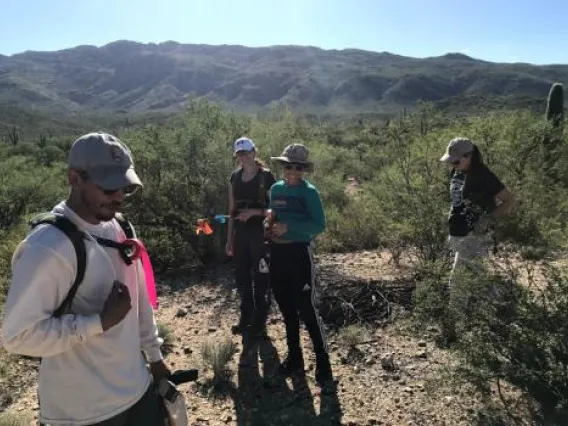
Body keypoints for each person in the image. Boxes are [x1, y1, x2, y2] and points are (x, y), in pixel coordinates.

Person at [1, 132, 170, 426]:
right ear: (74, 178)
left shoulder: (120, 228)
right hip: (82, 413)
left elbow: (140, 298)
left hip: (138, 392)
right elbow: (17, 337)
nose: (118, 197)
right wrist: (98, 323)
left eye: (125, 188)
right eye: (108, 187)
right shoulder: (48, 246)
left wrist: (155, 357)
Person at [265, 143, 333, 386]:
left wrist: (290, 228)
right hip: (277, 254)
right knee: (286, 309)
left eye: (297, 167)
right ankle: (295, 358)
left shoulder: (310, 193)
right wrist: (270, 224)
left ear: (304, 169)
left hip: (299, 254)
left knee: (306, 308)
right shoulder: (275, 189)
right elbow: (274, 213)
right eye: (287, 165)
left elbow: (319, 225)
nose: (291, 171)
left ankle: (323, 360)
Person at [440, 137, 516, 337]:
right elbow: (457, 202)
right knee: (477, 279)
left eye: (456, 161)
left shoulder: (483, 175)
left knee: (460, 281)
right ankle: (502, 318)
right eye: (450, 161)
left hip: (474, 236)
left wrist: (487, 219)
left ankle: (453, 328)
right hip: (459, 235)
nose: (452, 164)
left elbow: (509, 200)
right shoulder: (457, 171)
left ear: (470, 156)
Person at [225, 137, 276, 335]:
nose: (243, 157)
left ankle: (260, 320)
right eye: (239, 154)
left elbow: (276, 208)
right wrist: (229, 239)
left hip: (260, 232)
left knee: (262, 276)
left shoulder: (266, 177)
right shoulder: (235, 177)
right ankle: (246, 316)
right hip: (241, 233)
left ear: (254, 152)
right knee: (242, 276)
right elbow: (231, 210)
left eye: (246, 153)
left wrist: (254, 212)